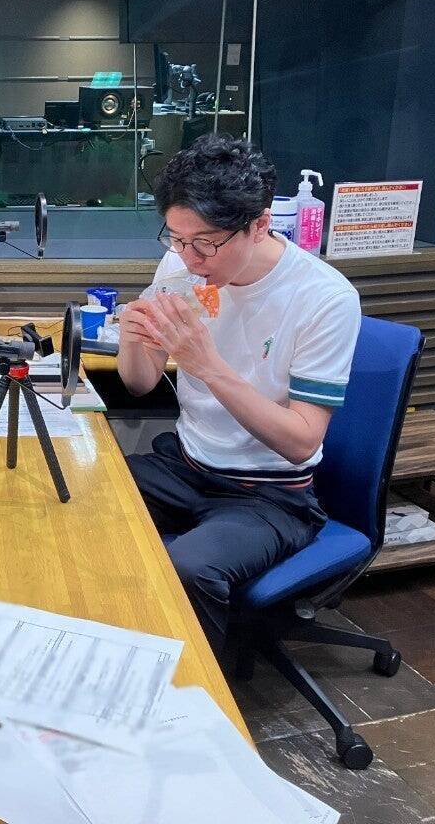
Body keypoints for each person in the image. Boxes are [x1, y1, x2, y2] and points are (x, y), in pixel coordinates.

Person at [120, 134, 361, 653]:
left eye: (205, 243)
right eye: (176, 238)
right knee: (85, 496)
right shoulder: (179, 267)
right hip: (186, 466)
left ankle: (198, 694)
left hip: (270, 494)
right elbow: (140, 383)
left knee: (189, 568)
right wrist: (133, 337)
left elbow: (301, 441)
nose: (189, 258)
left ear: (259, 224)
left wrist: (207, 365)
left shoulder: (324, 298)